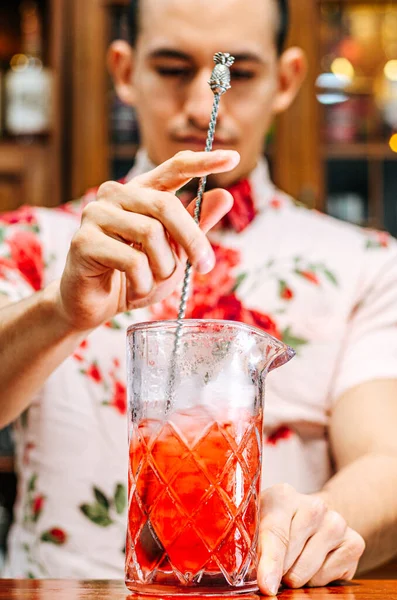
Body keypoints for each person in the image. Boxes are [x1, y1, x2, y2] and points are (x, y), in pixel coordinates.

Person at [0, 0, 397, 592]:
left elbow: (387, 459)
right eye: (169, 68)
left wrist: (314, 526)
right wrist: (60, 311)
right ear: (123, 70)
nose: (197, 105)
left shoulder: (368, 263)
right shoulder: (33, 242)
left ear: (287, 80)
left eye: (239, 74)